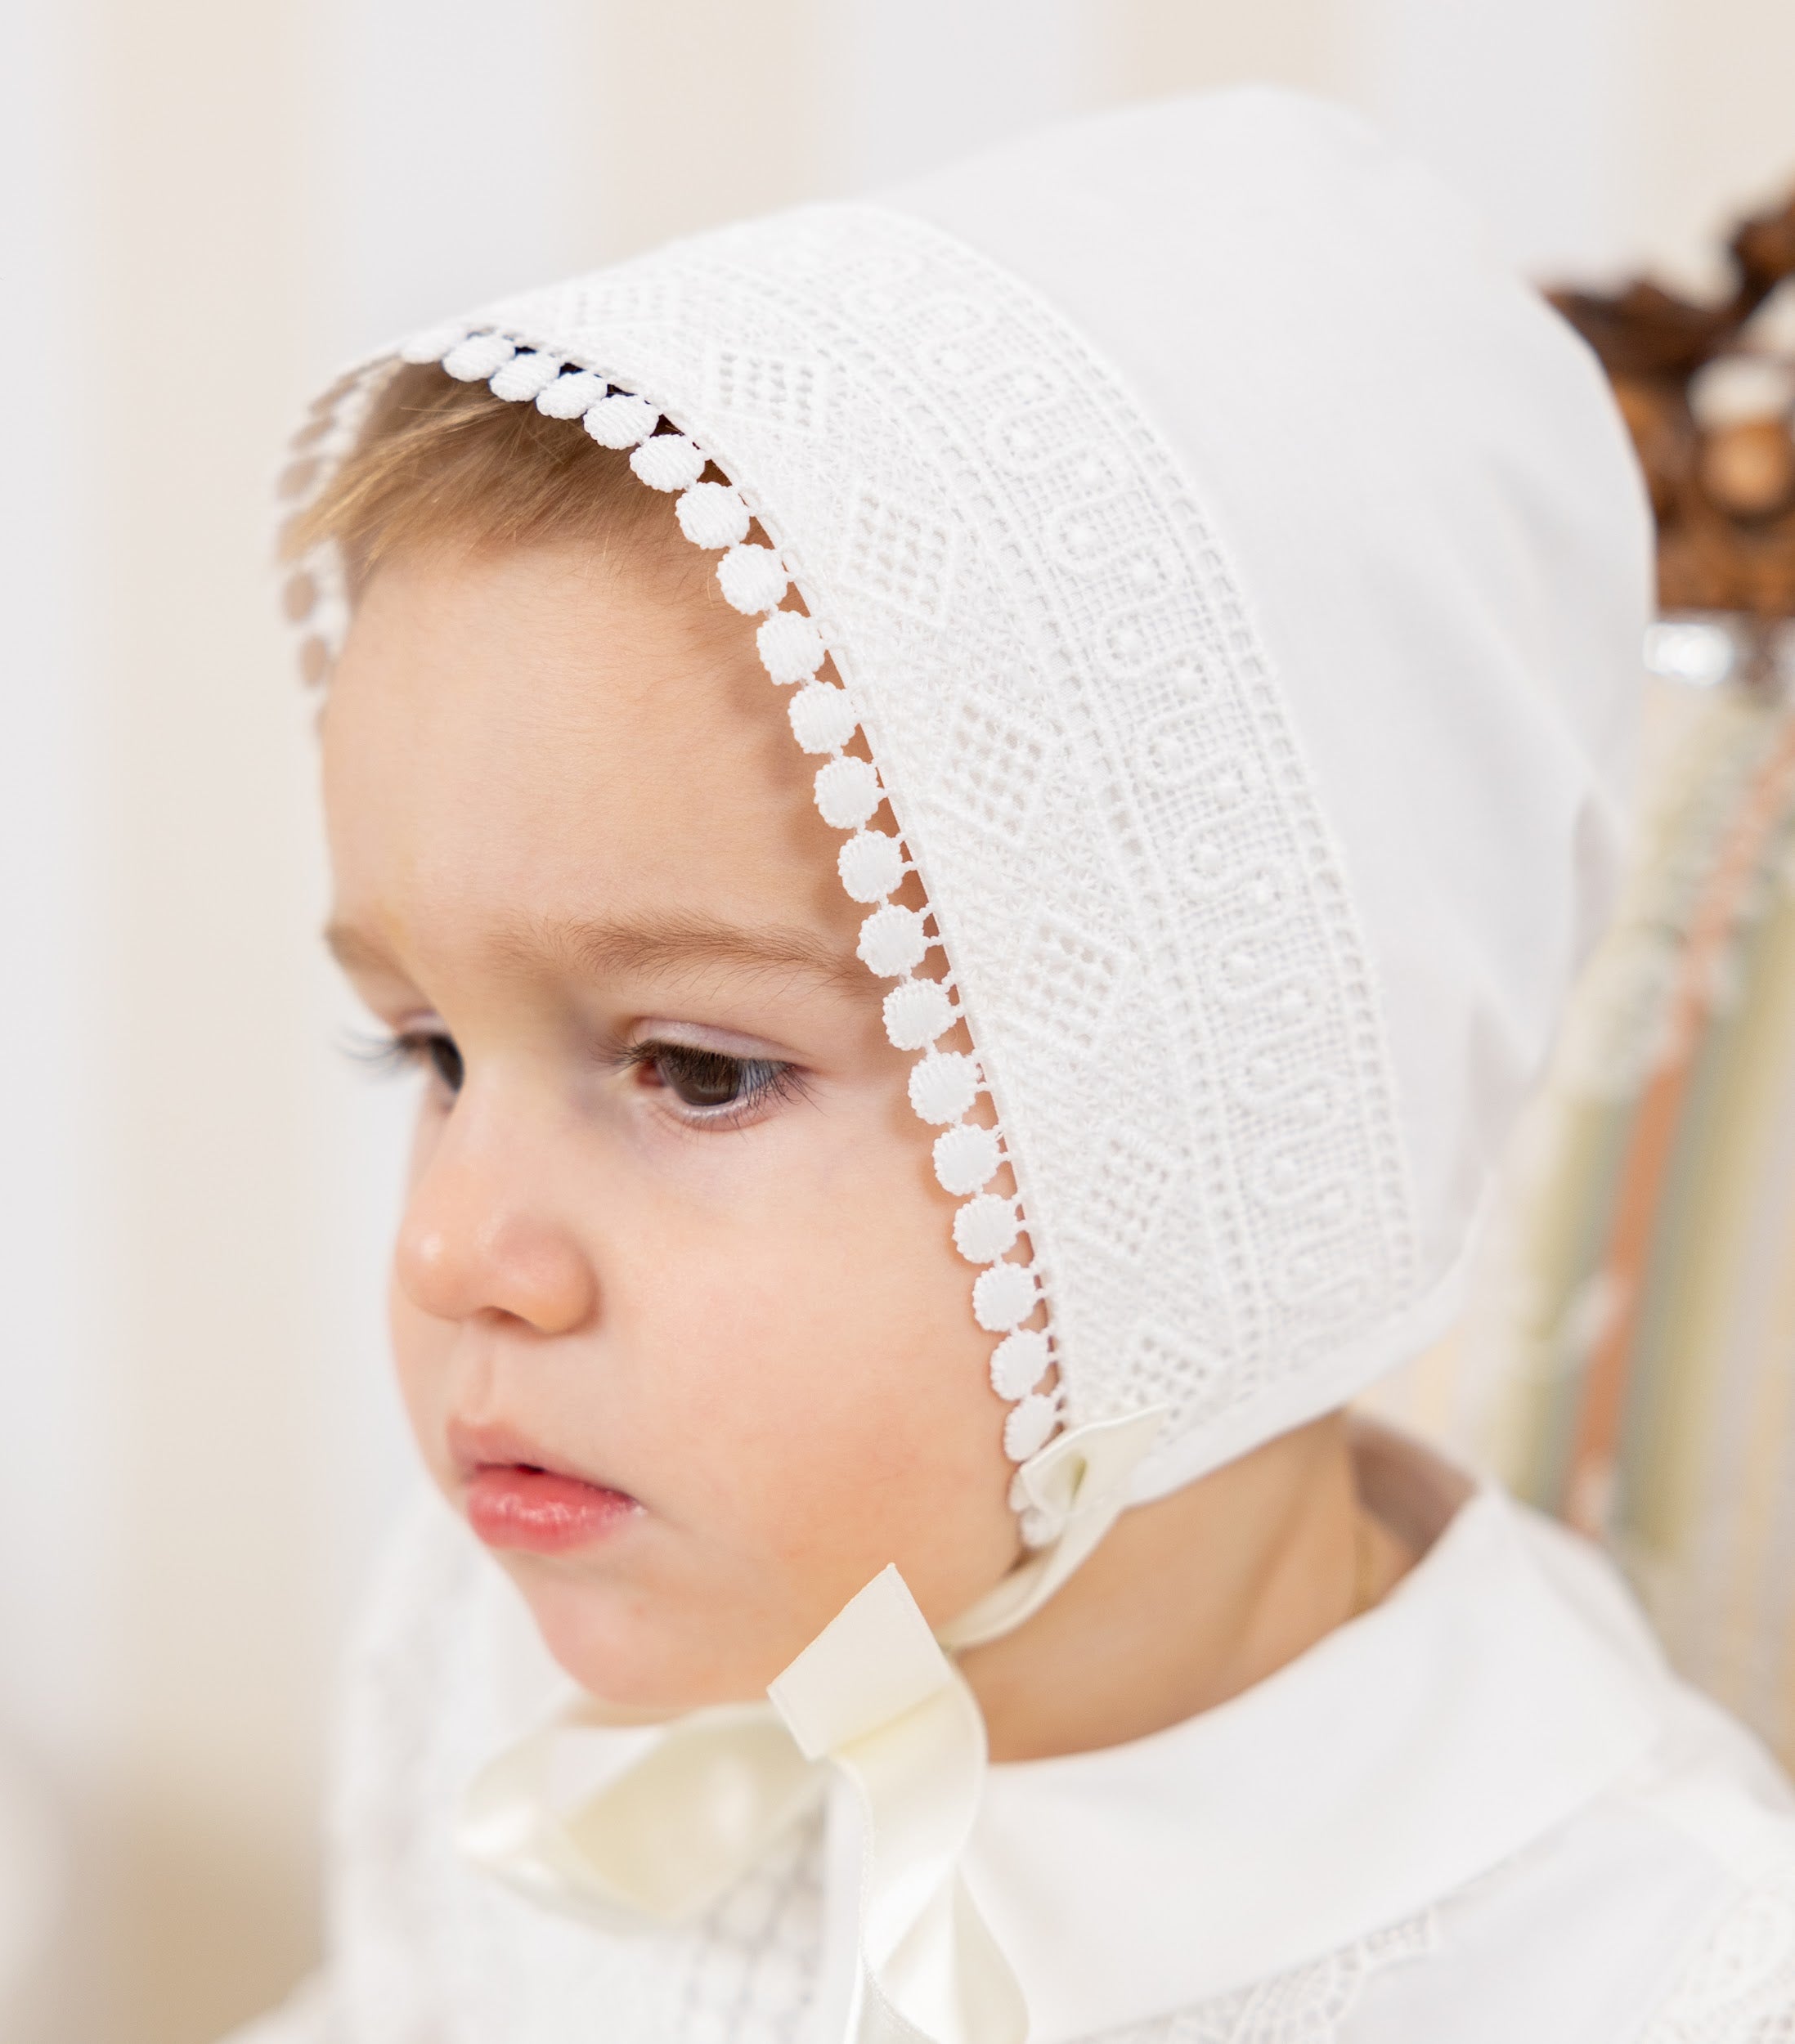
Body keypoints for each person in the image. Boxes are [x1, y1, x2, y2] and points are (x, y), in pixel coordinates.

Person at [239, 89, 1795, 2044]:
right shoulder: (503, 1665)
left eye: (696, 1071)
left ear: (1219, 1133)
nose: (455, 1247)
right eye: (430, 1048)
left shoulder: (1648, 1981)